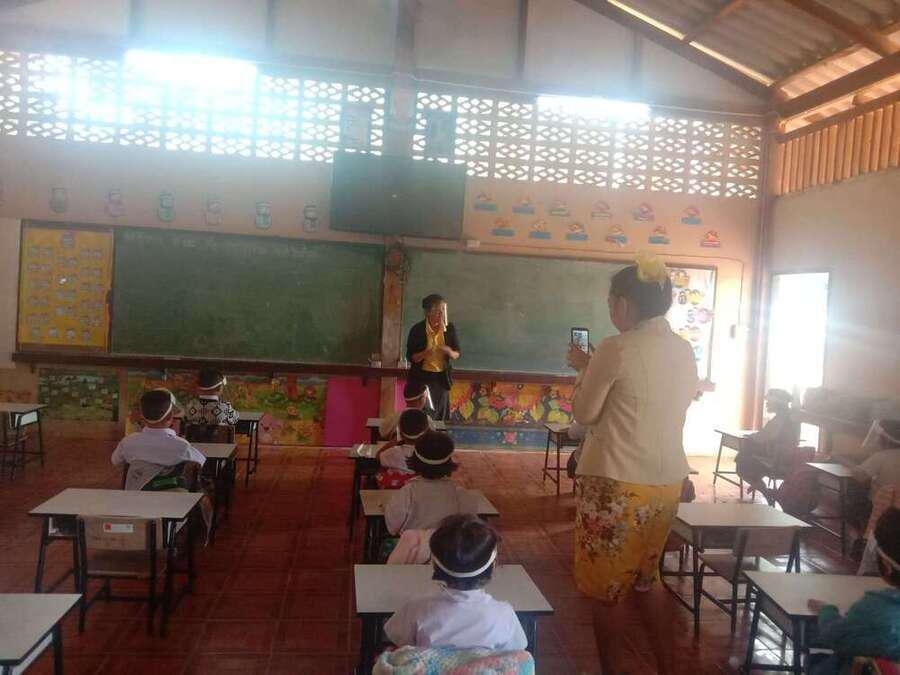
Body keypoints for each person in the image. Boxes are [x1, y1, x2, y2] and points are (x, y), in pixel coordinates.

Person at [565, 252, 697, 675]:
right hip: (665, 481)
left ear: (625, 303)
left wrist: (584, 371)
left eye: (611, 302)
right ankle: (667, 668)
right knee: (647, 580)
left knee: (608, 592)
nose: (610, 309)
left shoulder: (615, 347)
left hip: (615, 483)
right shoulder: (683, 349)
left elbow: (585, 412)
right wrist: (594, 368)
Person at [384, 514, 528, 651]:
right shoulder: (504, 614)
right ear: (493, 566)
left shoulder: (415, 609)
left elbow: (398, 641)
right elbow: (516, 650)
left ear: (434, 564)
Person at [807, 506, 900, 674]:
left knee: (814, 641)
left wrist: (826, 611)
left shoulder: (874, 608)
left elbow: (835, 636)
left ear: (886, 566)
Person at [384, 431, 480, 536]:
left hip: (413, 546)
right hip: (448, 546)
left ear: (415, 460)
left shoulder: (407, 493)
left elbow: (393, 528)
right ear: (449, 462)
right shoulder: (461, 495)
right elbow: (467, 527)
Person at [112, 388, 206, 491]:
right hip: (172, 499)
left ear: (142, 416)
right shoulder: (182, 446)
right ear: (170, 417)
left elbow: (115, 461)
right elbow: (201, 462)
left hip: (137, 497)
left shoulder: (128, 442)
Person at [734, 388, 800, 494]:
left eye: (769, 402)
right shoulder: (785, 416)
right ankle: (758, 484)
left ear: (777, 403)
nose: (767, 404)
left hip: (778, 458)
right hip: (779, 455)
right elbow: (766, 435)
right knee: (745, 452)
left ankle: (762, 488)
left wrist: (751, 437)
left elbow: (765, 437)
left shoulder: (782, 419)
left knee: (742, 462)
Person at [406, 294, 460, 421]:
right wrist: (425, 353)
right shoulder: (417, 330)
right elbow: (411, 357)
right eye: (438, 310)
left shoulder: (449, 329)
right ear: (428, 312)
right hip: (421, 379)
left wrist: (449, 352)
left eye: (444, 310)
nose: (442, 314)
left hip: (441, 379)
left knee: (441, 417)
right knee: (424, 416)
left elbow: (457, 353)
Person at [375, 408, 431, 489]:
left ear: (400, 433)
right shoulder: (428, 453)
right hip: (419, 490)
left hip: (393, 493)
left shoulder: (393, 452)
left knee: (380, 472)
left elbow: (378, 456)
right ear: (427, 432)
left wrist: (395, 440)